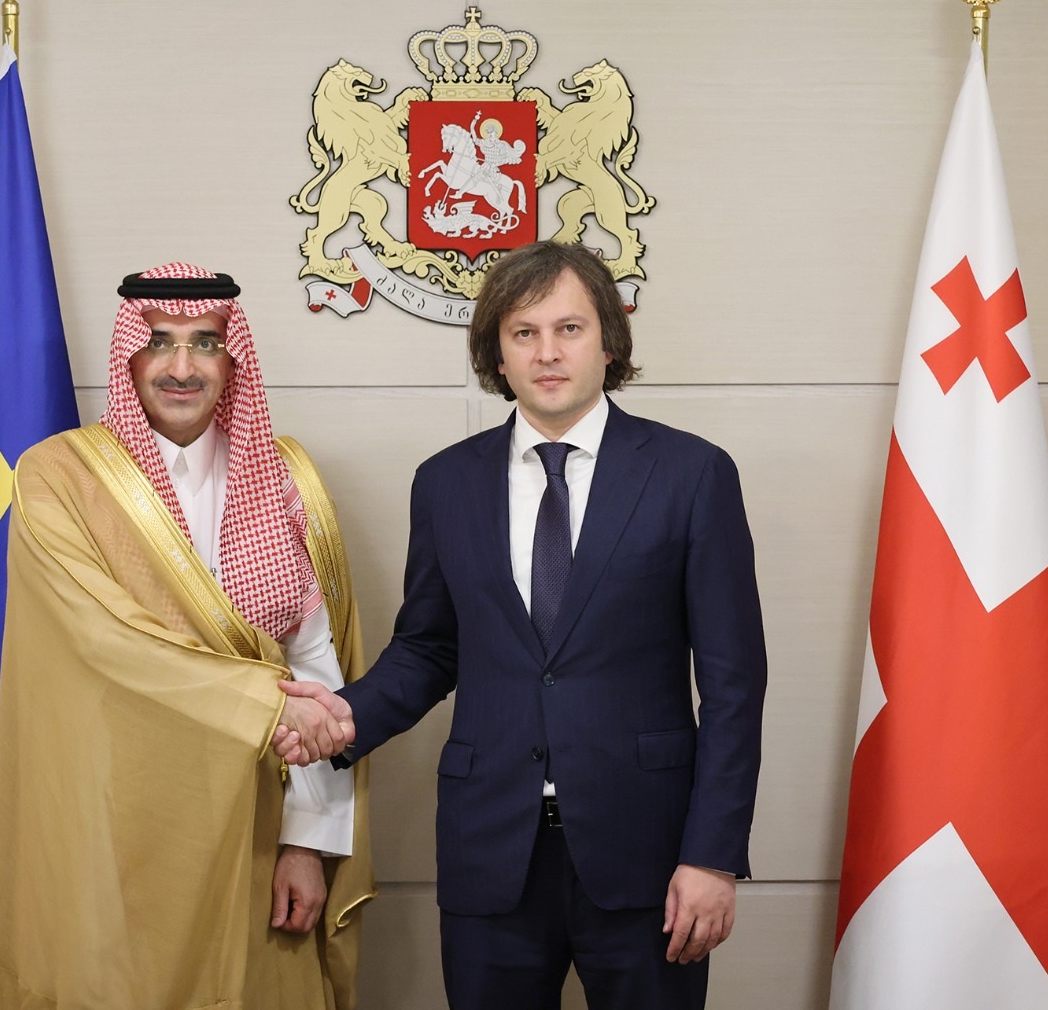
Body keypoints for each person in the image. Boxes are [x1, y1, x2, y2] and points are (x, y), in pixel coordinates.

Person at [280, 240, 767, 1009]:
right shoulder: (445, 482)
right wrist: (343, 717)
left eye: (569, 329)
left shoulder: (692, 475)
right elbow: (430, 649)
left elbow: (736, 686)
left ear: (608, 342)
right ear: (497, 355)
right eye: (523, 333)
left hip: (647, 850)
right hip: (490, 850)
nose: (547, 353)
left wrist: (712, 854)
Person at [0, 263, 372, 1010]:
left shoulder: (286, 478)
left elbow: (314, 668)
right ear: (129, 356)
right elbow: (108, 643)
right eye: (159, 341)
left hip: (254, 825)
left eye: (206, 343)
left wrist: (307, 842)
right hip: (114, 820)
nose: (182, 367)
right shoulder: (58, 478)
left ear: (234, 358)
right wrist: (267, 703)